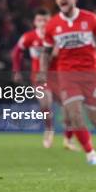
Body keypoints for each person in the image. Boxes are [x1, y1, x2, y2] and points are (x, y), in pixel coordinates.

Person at [38, 0, 96, 165]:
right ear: (57, 1)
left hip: (90, 75)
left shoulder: (90, 18)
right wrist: (42, 72)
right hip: (67, 75)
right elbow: (45, 52)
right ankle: (90, 152)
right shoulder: (53, 24)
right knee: (73, 113)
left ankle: (89, 107)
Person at [12, 8, 79, 150]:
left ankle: (68, 139)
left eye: (45, 20)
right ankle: (49, 130)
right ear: (35, 22)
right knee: (45, 101)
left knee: (69, 108)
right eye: (39, 20)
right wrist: (16, 70)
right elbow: (17, 51)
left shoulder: (58, 36)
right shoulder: (29, 37)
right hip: (40, 78)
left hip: (59, 78)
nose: (42, 23)